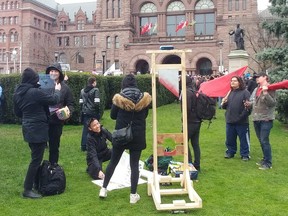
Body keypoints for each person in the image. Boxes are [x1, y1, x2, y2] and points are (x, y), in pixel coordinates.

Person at [99, 74, 151, 204]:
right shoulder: (144, 99)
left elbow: (112, 116)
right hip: (137, 135)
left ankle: (103, 189)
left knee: (113, 162)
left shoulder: (119, 98)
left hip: (121, 134)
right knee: (134, 165)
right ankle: (133, 195)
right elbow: (145, 115)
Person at [13, 68, 61, 199]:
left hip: (28, 127)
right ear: (33, 79)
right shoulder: (34, 92)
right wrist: (57, 89)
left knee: (36, 156)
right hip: (37, 129)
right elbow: (54, 99)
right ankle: (27, 189)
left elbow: (17, 113)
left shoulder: (18, 92)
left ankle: (35, 184)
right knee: (36, 160)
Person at [245, 72, 276, 170]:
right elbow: (254, 102)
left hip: (266, 119)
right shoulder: (256, 89)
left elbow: (272, 103)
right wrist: (248, 104)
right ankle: (265, 158)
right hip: (256, 118)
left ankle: (268, 163)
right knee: (261, 140)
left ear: (265, 77)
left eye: (259, 77)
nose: (257, 78)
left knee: (264, 140)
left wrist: (266, 93)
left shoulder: (271, 88)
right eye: (256, 77)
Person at [46, 63, 74, 165]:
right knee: (39, 146)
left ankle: (53, 166)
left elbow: (70, 104)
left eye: (55, 71)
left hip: (57, 121)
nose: (53, 73)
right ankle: (40, 170)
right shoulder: (43, 85)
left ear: (60, 73)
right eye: (51, 71)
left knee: (54, 146)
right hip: (43, 120)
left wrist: (67, 112)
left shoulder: (65, 88)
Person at [221, 76, 251, 161]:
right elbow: (225, 107)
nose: (232, 82)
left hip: (241, 121)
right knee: (230, 138)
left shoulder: (245, 93)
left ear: (239, 82)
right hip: (230, 120)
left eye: (235, 81)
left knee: (243, 139)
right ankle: (230, 152)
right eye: (231, 81)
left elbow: (248, 108)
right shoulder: (230, 92)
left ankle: (245, 154)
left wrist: (240, 117)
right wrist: (224, 103)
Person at [181, 76, 202, 171]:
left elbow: (187, 108)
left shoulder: (187, 92)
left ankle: (188, 163)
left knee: (184, 141)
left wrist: (184, 119)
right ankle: (197, 164)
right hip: (197, 121)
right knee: (195, 143)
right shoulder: (194, 91)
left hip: (190, 121)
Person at [79, 77, 101, 151]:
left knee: (86, 128)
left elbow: (80, 102)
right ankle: (97, 144)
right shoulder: (95, 90)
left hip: (85, 112)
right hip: (93, 112)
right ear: (94, 82)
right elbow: (97, 102)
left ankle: (83, 145)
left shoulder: (82, 91)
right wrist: (98, 112)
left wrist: (83, 109)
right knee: (96, 128)